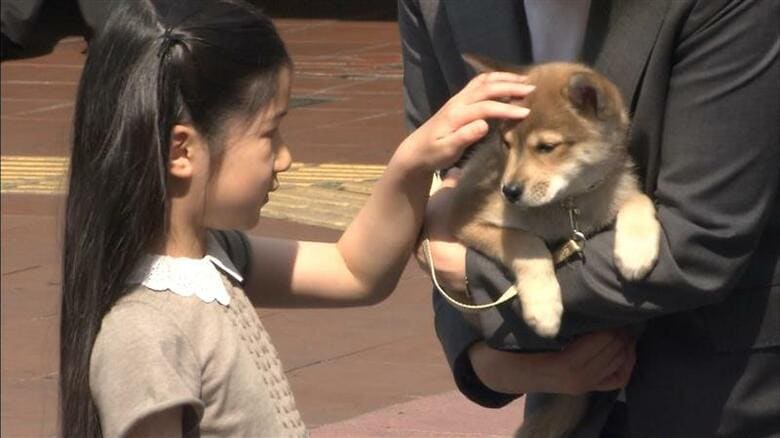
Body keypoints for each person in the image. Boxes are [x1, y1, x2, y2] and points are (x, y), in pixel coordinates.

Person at [58, 1, 537, 436]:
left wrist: (415, 158)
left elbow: (355, 271)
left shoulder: (216, 258)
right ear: (181, 150)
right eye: (270, 133)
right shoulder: (143, 333)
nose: (285, 158)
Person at [400, 0, 780, 436]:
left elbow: (703, 240)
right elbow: (439, 203)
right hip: (562, 403)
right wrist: (479, 356)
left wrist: (484, 289)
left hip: (718, 394)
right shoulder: (435, 8)